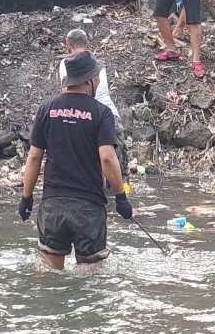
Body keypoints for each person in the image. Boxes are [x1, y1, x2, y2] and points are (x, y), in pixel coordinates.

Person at [19, 52, 133, 269]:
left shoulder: (47, 109)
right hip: (88, 208)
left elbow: (34, 157)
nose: (99, 82)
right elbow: (107, 158)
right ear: (89, 80)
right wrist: (121, 197)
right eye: (98, 77)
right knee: (90, 278)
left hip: (53, 204)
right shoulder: (102, 112)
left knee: (51, 274)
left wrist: (26, 198)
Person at [58, 29, 129, 180]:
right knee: (119, 166)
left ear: (67, 46)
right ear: (87, 44)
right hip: (110, 115)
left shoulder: (67, 63)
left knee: (90, 168)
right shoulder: (97, 62)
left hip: (84, 116)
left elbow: (67, 92)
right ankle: (123, 197)